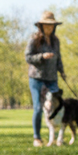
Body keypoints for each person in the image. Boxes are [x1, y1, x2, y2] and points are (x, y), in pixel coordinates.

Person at [25, 10, 66, 147]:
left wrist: (62, 71)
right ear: (41, 26)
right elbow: (28, 57)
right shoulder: (34, 39)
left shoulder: (56, 41)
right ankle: (37, 137)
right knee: (38, 108)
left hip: (52, 79)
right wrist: (42, 56)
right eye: (46, 25)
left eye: (51, 25)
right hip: (37, 79)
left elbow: (58, 58)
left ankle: (58, 137)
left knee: (58, 107)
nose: (49, 27)